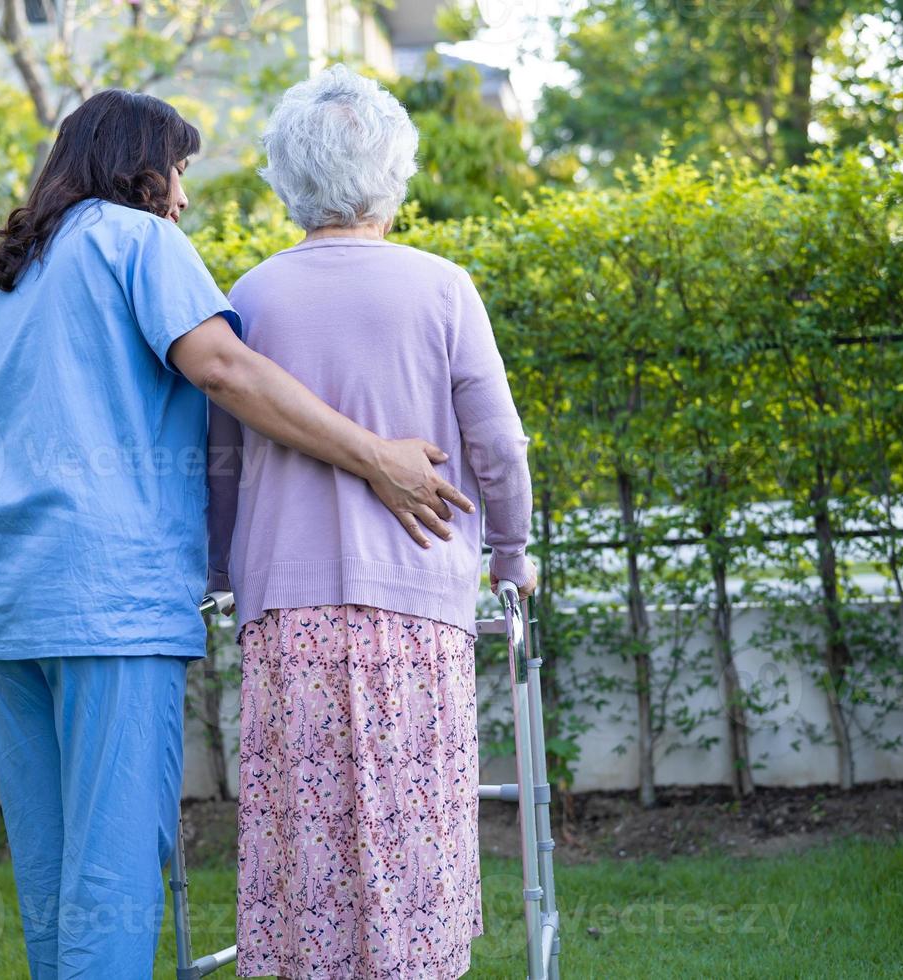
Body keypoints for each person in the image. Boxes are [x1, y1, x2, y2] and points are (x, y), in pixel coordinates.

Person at [0, 88, 473, 979]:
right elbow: (227, 369)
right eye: (181, 171)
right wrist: (375, 456)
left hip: (6, 603)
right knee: (115, 881)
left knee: (52, 888)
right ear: (137, 167)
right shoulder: (137, 239)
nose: (185, 198)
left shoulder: (18, 275)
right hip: (106, 603)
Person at [206, 65, 537, 980]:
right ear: (397, 171)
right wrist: (511, 551)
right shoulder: (441, 287)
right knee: (410, 821)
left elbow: (221, 458)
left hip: (289, 609)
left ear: (287, 178)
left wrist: (221, 571)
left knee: (304, 835)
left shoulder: (254, 293)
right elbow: (499, 444)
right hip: (417, 606)